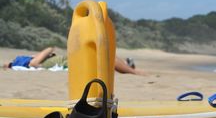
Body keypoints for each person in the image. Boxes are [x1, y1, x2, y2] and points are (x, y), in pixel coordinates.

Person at [3, 47, 144, 75]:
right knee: (107, 57)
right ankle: (134, 71)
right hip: (67, 62)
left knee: (106, 55)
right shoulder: (25, 62)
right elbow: (34, 63)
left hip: (67, 60)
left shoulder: (21, 61)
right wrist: (48, 49)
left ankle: (127, 67)